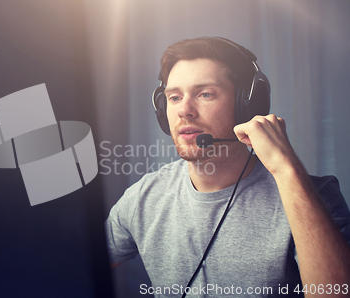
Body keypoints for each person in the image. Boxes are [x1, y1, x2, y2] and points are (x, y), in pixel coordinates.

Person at [105, 37, 350, 297]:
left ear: (247, 104)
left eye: (205, 94)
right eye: (174, 97)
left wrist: (285, 169)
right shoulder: (143, 198)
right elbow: (69, 269)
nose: (184, 110)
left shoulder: (313, 196)